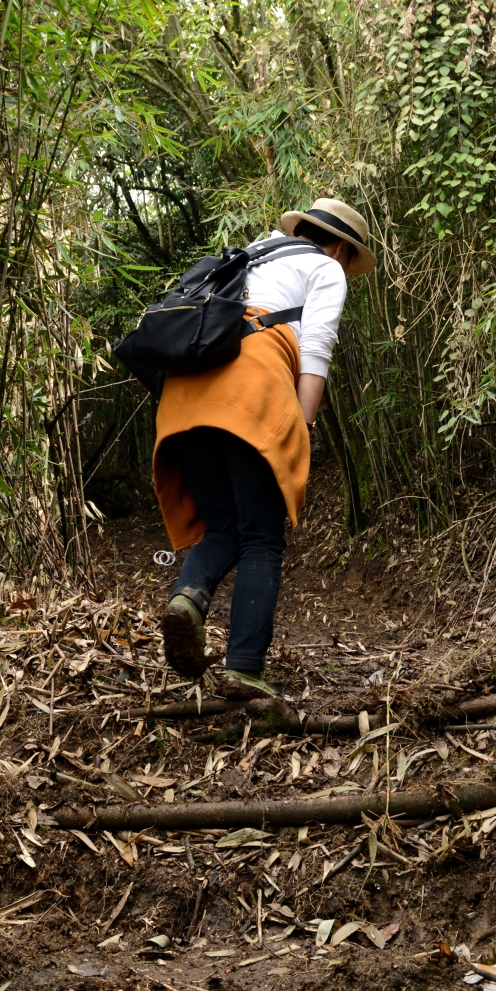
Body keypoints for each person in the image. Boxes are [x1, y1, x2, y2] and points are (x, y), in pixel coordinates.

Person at [152, 198, 376, 697]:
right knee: (261, 536)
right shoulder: (325, 268)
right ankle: (244, 670)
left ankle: (186, 600)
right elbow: (315, 352)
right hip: (247, 394)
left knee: (224, 524)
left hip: (183, 392)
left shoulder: (252, 252)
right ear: (341, 247)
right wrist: (303, 427)